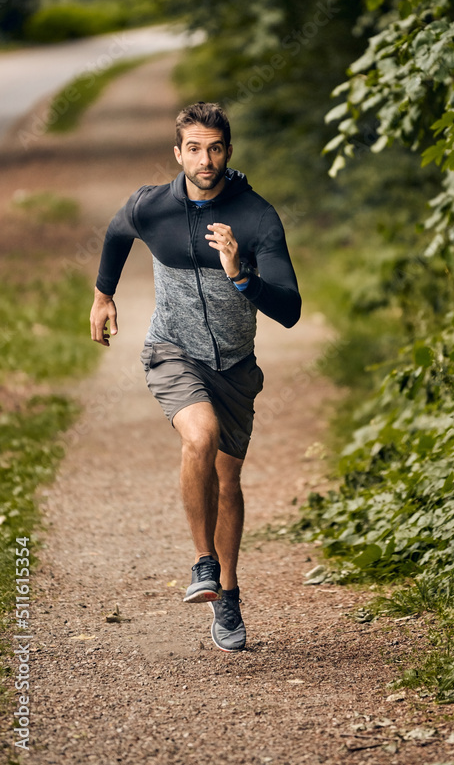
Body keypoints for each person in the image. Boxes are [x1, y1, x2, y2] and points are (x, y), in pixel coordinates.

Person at [89, 101, 301, 652]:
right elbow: (116, 232)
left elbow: (290, 308)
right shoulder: (151, 206)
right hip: (171, 350)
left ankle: (227, 597)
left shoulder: (257, 217)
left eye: (215, 148)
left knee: (227, 481)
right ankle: (203, 562)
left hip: (235, 366)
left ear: (228, 152)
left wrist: (241, 275)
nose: (205, 159)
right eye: (194, 148)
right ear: (177, 152)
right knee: (199, 436)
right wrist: (103, 295)